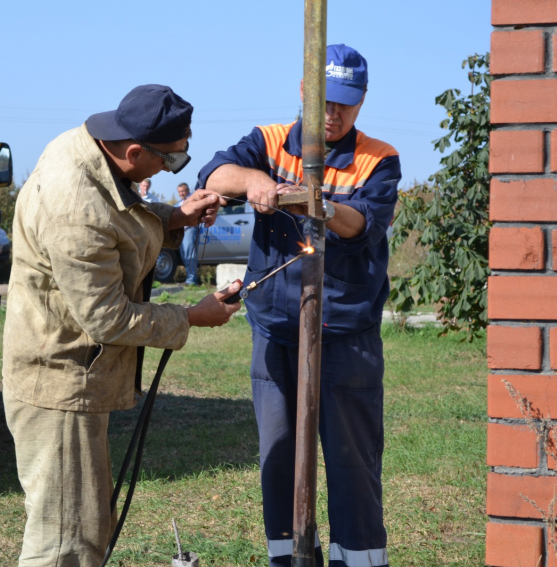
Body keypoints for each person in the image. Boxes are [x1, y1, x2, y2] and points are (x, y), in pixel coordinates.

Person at [2, 84, 242, 567]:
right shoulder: (75, 208)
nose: (172, 169)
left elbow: (120, 213)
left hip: (72, 376)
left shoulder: (85, 147)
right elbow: (107, 317)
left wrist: (175, 217)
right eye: (171, 162)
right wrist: (192, 316)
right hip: (59, 384)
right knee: (65, 543)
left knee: (82, 523)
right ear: (134, 150)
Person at [197, 44, 400, 567]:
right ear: (305, 92)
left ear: (362, 102)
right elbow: (215, 174)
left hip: (344, 337)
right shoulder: (267, 142)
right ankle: (287, 558)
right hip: (275, 332)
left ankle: (357, 559)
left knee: (352, 462)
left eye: (345, 105)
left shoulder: (379, 158)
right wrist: (257, 182)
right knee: (278, 455)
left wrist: (325, 207)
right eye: (324, 102)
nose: (332, 115)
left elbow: (363, 225)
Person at [175, 182, 200, 285]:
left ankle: (191, 281)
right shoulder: (179, 203)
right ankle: (191, 279)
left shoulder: (193, 200)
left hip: (190, 229)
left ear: (188, 190)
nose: (181, 193)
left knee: (190, 255)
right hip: (181, 231)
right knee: (185, 255)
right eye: (179, 192)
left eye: (183, 191)